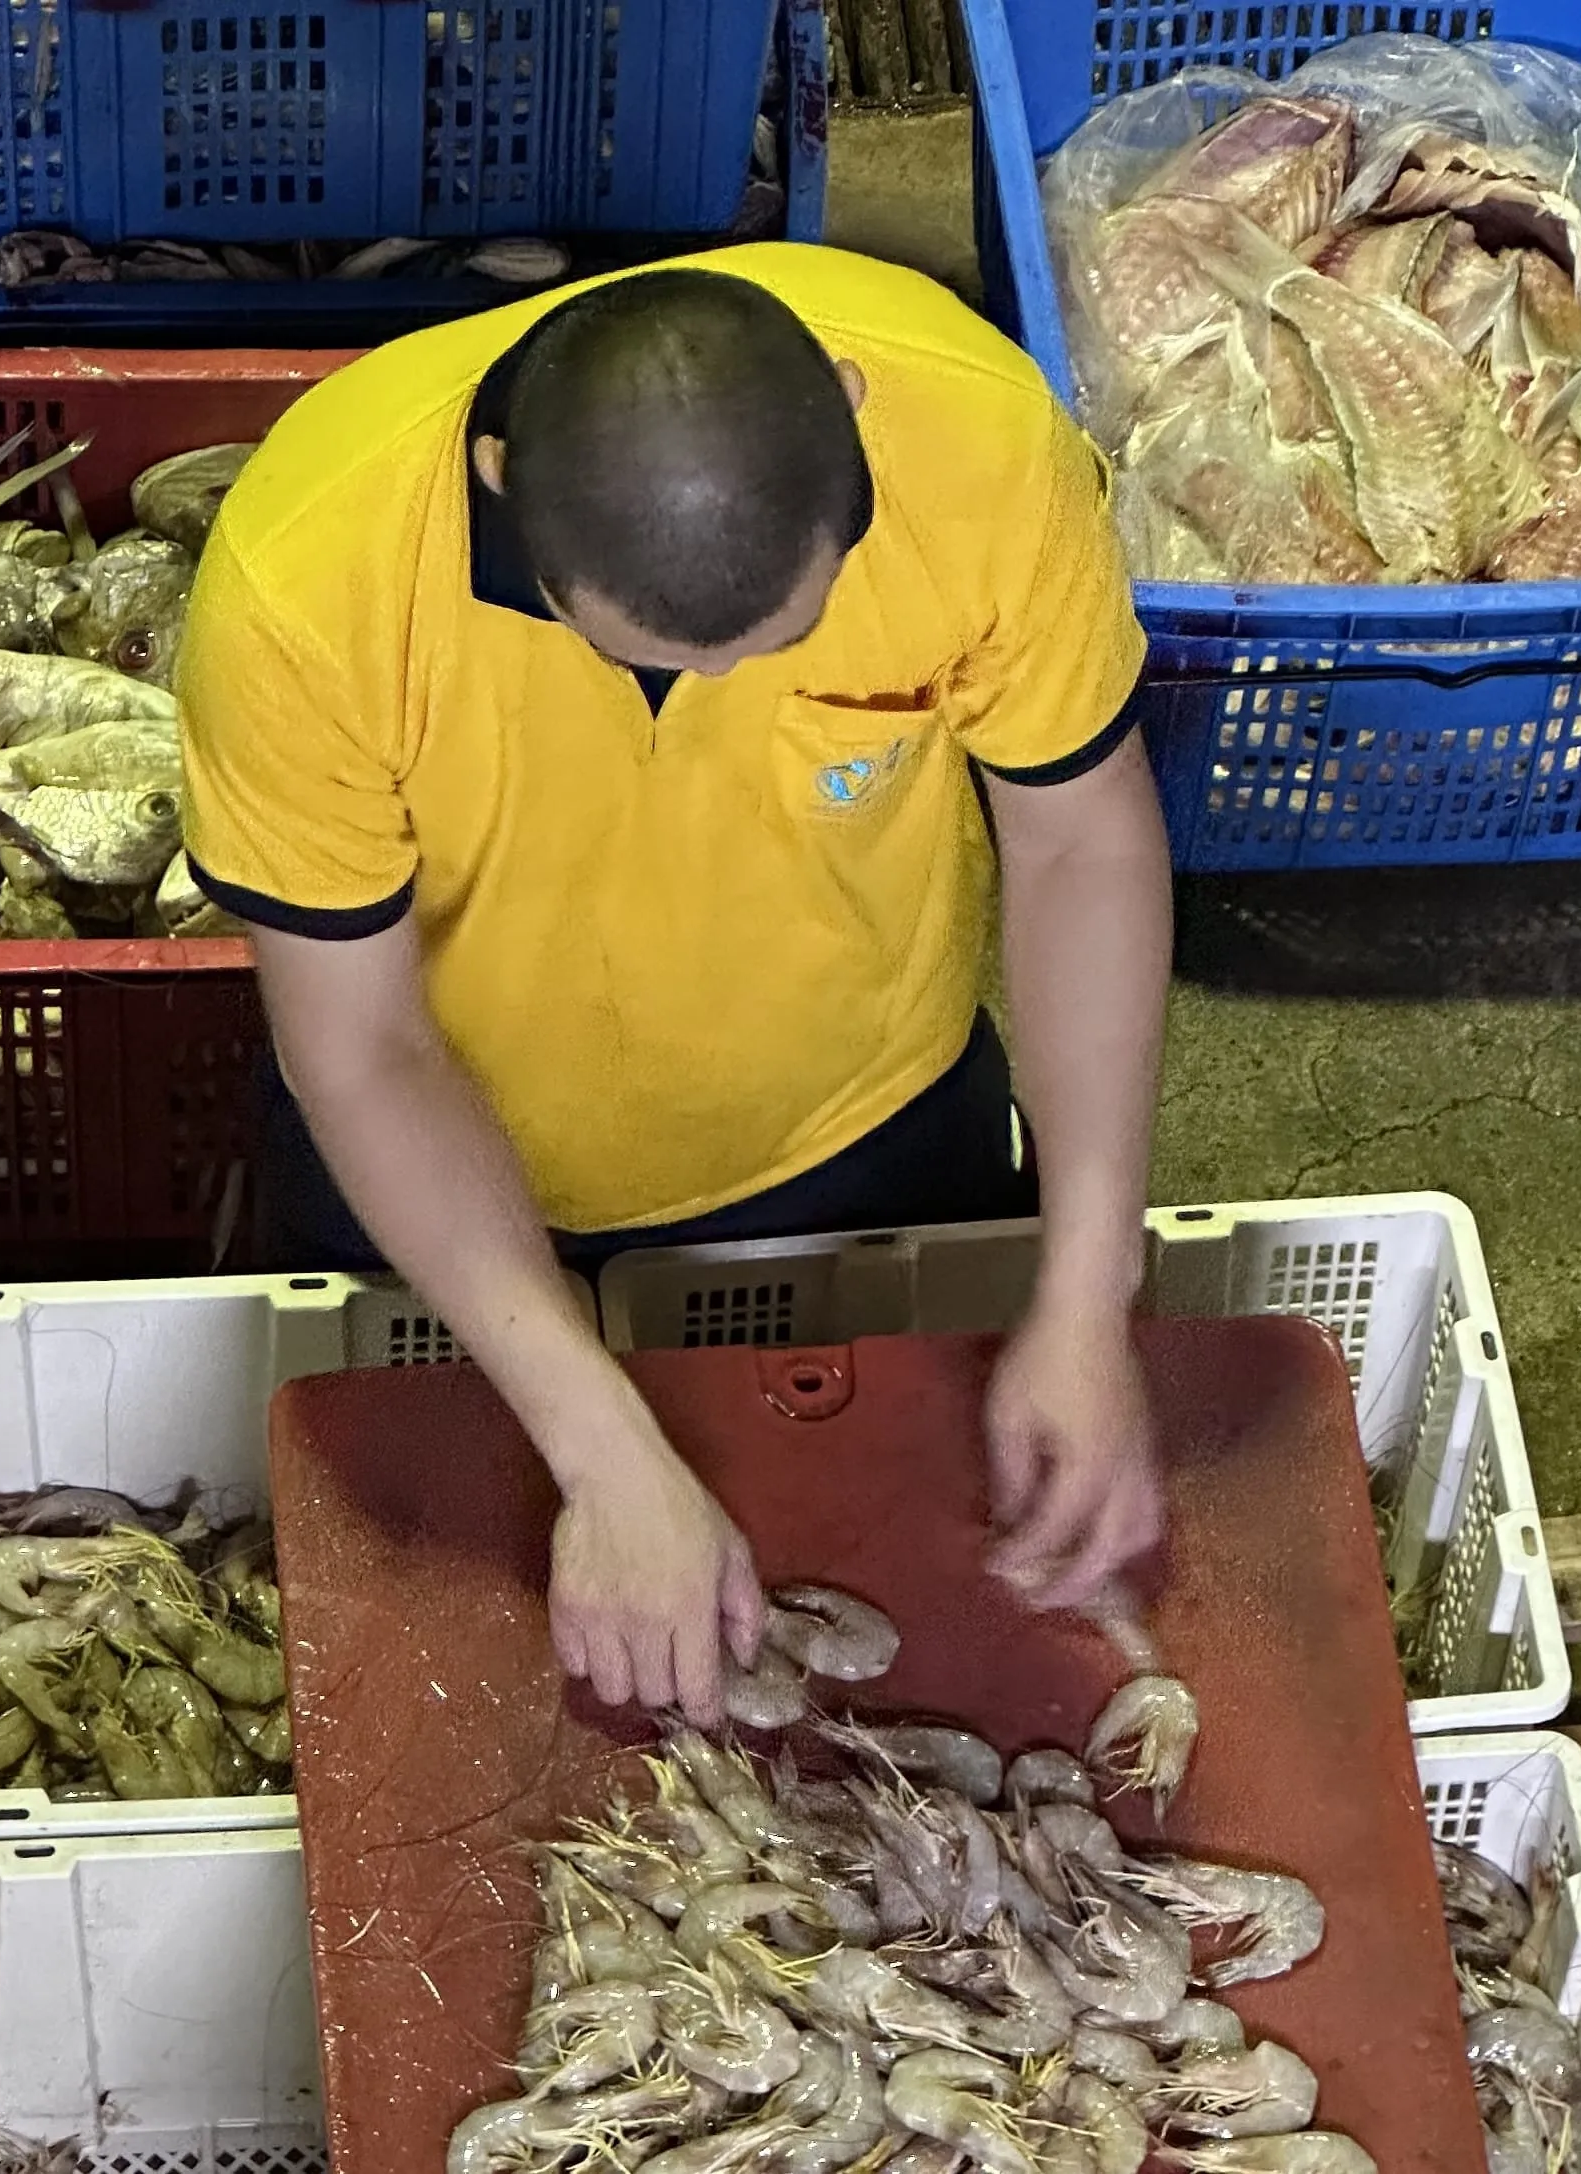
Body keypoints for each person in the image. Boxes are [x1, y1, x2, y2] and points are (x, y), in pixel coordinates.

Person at [178, 243, 1172, 1726]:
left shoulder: (978, 436)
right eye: (650, 653)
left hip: (864, 1112)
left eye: (788, 642)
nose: (723, 689)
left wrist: (1090, 1286)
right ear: (503, 481)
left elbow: (1080, 841)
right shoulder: (312, 577)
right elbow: (364, 1047)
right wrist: (600, 1446)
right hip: (464, 1165)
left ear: (848, 408)